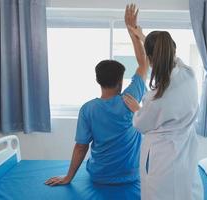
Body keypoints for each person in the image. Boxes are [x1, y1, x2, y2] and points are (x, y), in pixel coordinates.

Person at [45, 5, 148, 186]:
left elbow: (81, 147)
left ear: (98, 81)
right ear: (120, 82)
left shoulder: (88, 109)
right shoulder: (130, 100)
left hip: (100, 176)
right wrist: (132, 30)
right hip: (132, 175)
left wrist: (68, 178)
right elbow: (143, 64)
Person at [123, 6, 204, 200]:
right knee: (186, 191)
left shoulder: (157, 97)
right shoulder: (188, 74)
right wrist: (140, 36)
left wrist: (136, 109)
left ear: (150, 59)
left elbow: (140, 125)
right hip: (186, 151)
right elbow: (163, 57)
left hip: (163, 159)